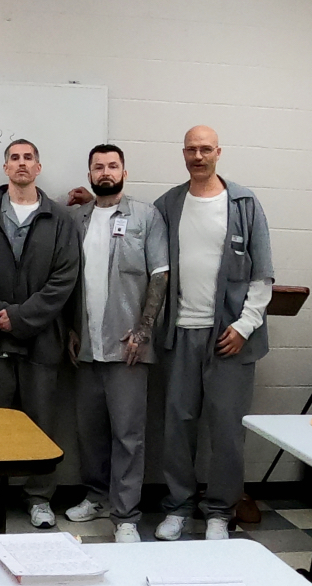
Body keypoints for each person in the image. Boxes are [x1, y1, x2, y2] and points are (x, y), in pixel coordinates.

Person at [152, 126, 274, 541]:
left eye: (206, 149)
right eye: (191, 149)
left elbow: (263, 275)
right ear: (182, 153)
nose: (198, 156)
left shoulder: (243, 202)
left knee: (226, 429)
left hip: (230, 339)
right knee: (177, 426)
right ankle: (178, 508)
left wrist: (243, 326)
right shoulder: (167, 204)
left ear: (219, 152)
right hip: (180, 334)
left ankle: (220, 512)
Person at [0, 139, 80, 528]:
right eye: (14, 158)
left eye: (27, 158)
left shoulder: (60, 219)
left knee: (41, 422)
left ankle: (39, 499)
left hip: (41, 339)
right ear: (5, 168)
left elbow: (64, 279)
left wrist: (21, 316)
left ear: (38, 167)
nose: (21, 164)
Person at [64, 145, 169, 543]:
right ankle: (96, 496)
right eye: (98, 167)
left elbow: (160, 274)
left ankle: (125, 515)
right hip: (86, 345)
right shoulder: (78, 218)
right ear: (89, 172)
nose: (105, 172)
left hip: (128, 347)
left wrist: (143, 330)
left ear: (124, 169)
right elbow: (72, 280)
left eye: (112, 166)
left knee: (128, 434)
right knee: (89, 430)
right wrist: (73, 330)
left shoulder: (145, 216)